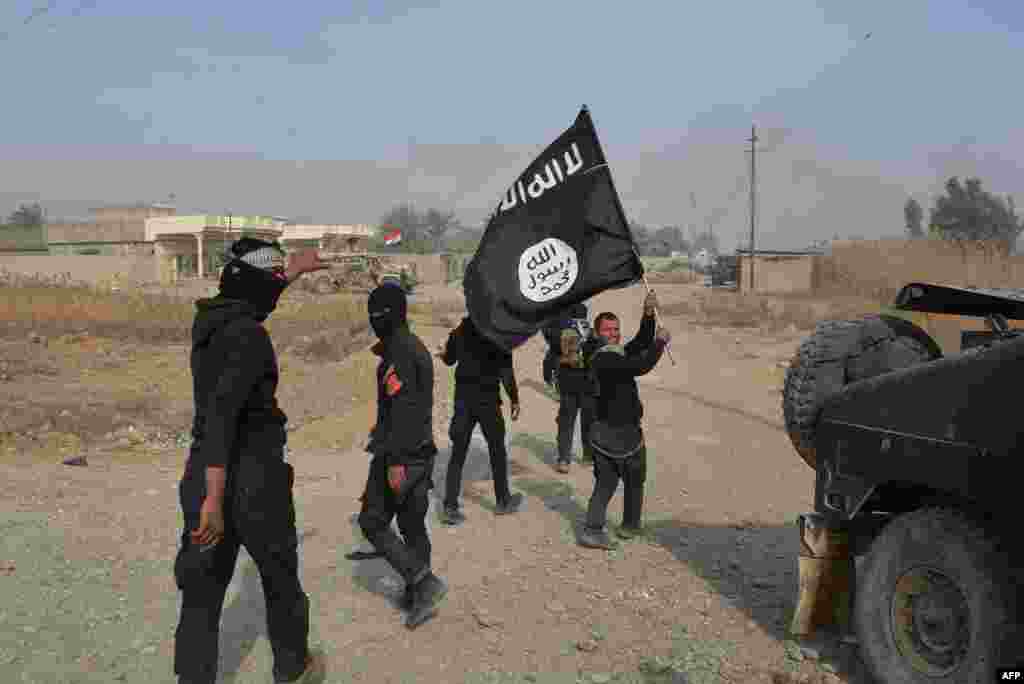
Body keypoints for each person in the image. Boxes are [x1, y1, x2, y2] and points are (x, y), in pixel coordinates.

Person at [173, 238, 328, 684]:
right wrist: (215, 501)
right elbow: (223, 418)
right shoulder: (249, 337)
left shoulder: (215, 321)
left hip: (204, 473)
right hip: (249, 482)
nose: (276, 285)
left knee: (200, 597)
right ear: (257, 283)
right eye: (274, 276)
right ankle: (294, 669)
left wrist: (291, 273)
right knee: (281, 584)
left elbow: (254, 300)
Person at [358, 282, 448, 629]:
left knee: (372, 522)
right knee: (412, 525)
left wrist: (394, 462)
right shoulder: (409, 347)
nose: (372, 320)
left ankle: (423, 582)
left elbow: (404, 411)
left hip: (403, 455)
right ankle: (417, 596)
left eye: (374, 314)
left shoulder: (401, 354)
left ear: (386, 315)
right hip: (419, 451)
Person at [578, 290, 671, 550]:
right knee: (627, 477)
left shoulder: (609, 351)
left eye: (616, 329)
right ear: (598, 333)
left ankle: (609, 527)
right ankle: (614, 527)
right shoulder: (604, 356)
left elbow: (637, 345)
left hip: (605, 431)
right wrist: (661, 343)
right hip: (617, 433)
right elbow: (640, 364)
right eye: (608, 330)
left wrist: (648, 315)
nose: (615, 334)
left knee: (614, 480)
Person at [437, 315, 524, 525]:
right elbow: (506, 372)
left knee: (458, 453)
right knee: (496, 449)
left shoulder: (461, 328)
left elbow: (450, 360)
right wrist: (514, 399)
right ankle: (503, 499)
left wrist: (443, 353)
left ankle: (450, 506)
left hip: (463, 401)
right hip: (487, 402)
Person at [550, 303, 598, 474]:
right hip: (574, 387)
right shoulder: (563, 335)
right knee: (570, 423)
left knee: (578, 423)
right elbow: (554, 359)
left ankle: (575, 457)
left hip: (584, 387)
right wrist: (566, 359)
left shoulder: (592, 334)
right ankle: (568, 458)